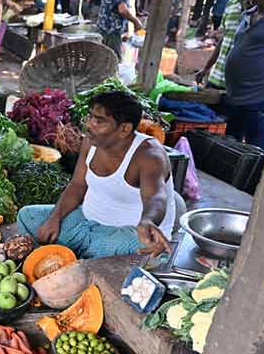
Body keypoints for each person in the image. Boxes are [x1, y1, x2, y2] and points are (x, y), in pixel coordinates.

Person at [17, 91, 174, 259]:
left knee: (146, 248)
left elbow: (156, 198)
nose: (89, 125)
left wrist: (148, 222)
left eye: (99, 121)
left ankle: (80, 253)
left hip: (128, 233)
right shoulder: (91, 141)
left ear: (124, 128)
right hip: (86, 222)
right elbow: (77, 186)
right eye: (90, 117)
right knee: (27, 216)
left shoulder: (149, 154)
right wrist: (55, 218)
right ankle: (86, 254)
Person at [220, 0, 264, 150]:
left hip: (261, 100)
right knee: (228, 150)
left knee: (254, 154)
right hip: (234, 96)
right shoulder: (248, 13)